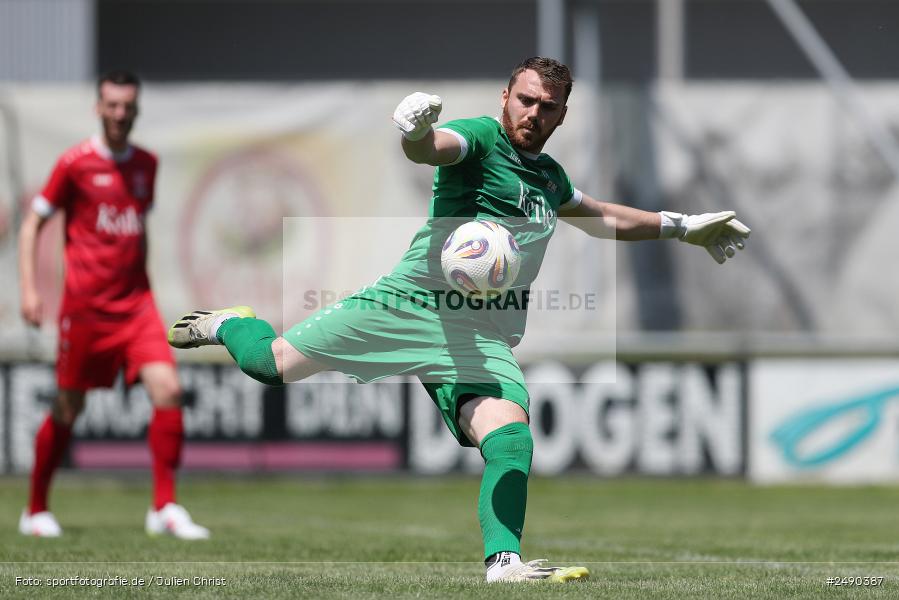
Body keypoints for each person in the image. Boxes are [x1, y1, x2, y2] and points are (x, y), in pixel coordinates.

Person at [167, 57, 750, 580]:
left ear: (562, 116)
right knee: (271, 365)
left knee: (511, 435)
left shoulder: (549, 178)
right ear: (505, 97)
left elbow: (597, 217)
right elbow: (431, 150)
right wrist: (415, 131)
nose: (533, 113)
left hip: (481, 334)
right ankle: (231, 322)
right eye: (525, 100)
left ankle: (504, 564)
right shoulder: (481, 137)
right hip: (410, 304)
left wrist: (681, 225)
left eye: (548, 107)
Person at [17, 70, 209, 540]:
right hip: (84, 310)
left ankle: (164, 507)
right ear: (98, 108)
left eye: (128, 106)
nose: (120, 114)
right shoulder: (74, 164)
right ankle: (35, 509)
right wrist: (29, 290)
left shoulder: (147, 163)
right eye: (112, 105)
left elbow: (136, 230)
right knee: (69, 406)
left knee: (167, 389)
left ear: (137, 109)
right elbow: (31, 226)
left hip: (137, 305)